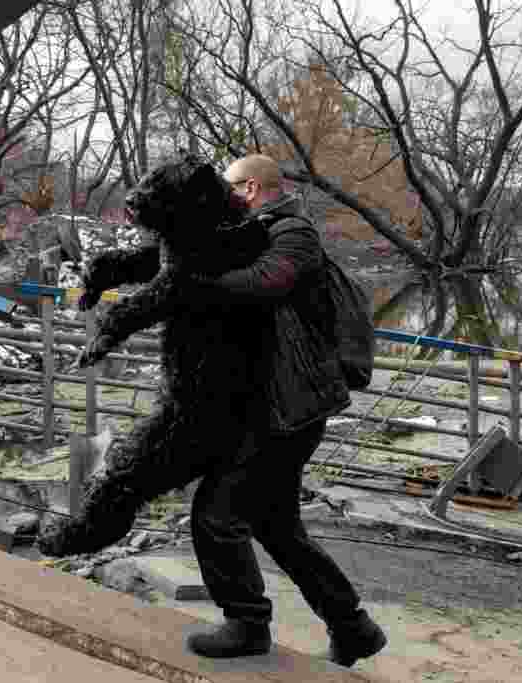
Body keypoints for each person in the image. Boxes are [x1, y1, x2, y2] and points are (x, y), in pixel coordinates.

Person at [183, 154, 387, 668]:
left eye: (227, 188)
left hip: (288, 408)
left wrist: (197, 284)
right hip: (276, 403)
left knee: (217, 512)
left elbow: (267, 282)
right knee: (275, 525)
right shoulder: (257, 232)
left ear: (250, 188)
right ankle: (352, 627)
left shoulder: (293, 234)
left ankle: (248, 625)